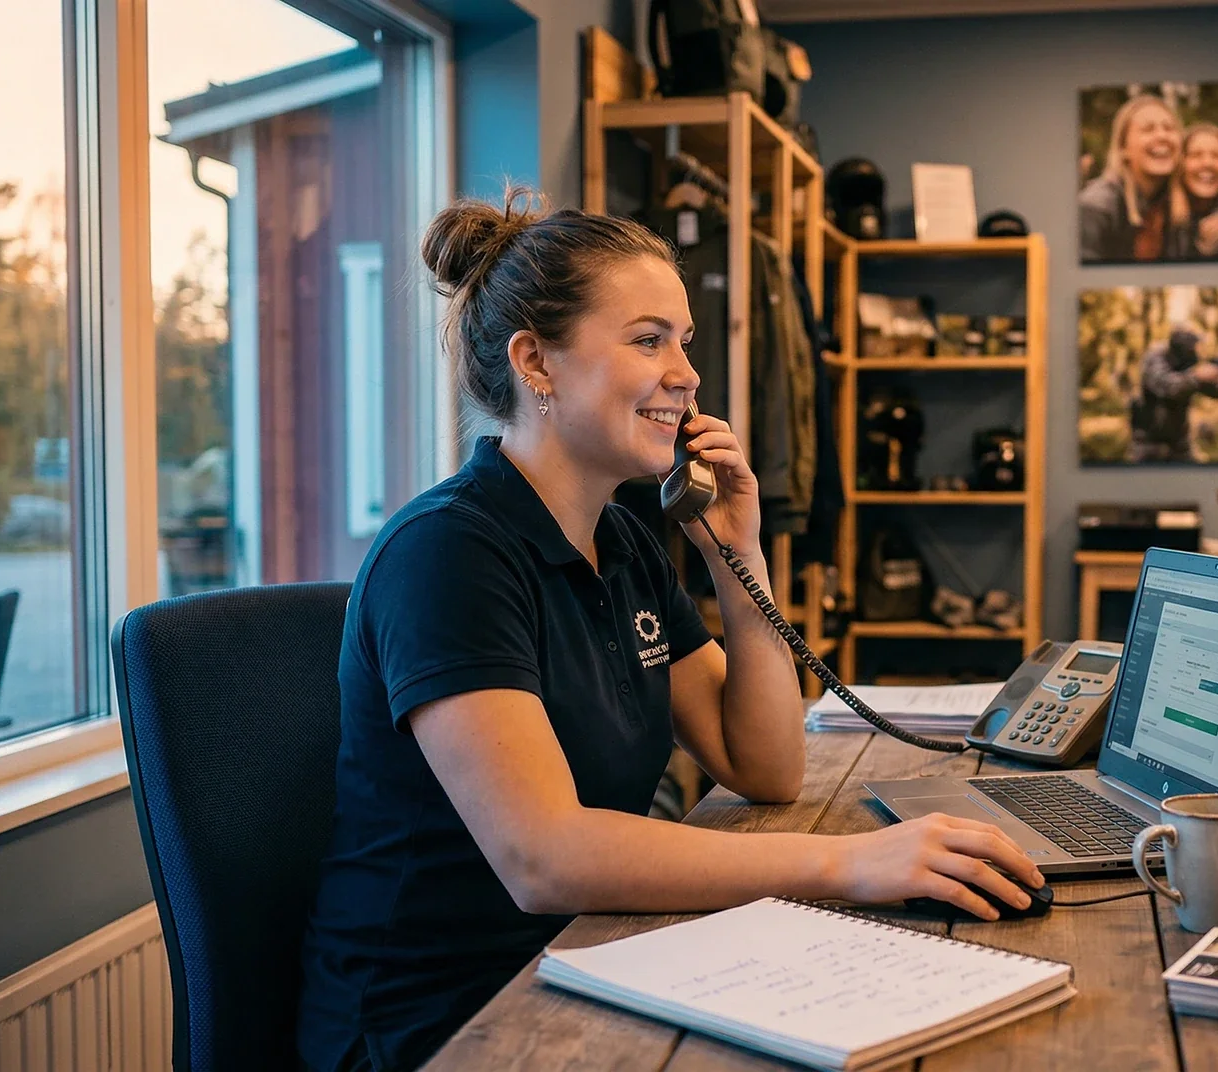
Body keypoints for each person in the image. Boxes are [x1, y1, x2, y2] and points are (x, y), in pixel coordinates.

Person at [297, 190, 1045, 1071]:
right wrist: (849, 865)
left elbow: (764, 765)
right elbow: (544, 858)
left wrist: (740, 554)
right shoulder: (449, 554)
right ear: (536, 361)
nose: (688, 373)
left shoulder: (620, 537)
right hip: (440, 1024)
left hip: (589, 962)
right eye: (650, 339)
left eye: (683, 342)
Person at [1079, 94, 1181, 262]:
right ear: (1122, 148)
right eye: (1148, 129)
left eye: (1169, 128)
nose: (1162, 136)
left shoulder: (1176, 204)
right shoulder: (1096, 209)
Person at [1128, 327, 1218, 462]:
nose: (1197, 352)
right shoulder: (1155, 359)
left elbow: (1212, 391)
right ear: (1182, 349)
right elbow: (1167, 387)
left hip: (1179, 442)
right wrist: (1196, 376)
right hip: (1148, 442)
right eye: (1194, 348)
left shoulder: (1187, 364)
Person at [1165, 123, 1218, 261]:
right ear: (1181, 163)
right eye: (1196, 155)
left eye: (1217, 156)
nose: (1207, 163)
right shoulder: (1161, 212)